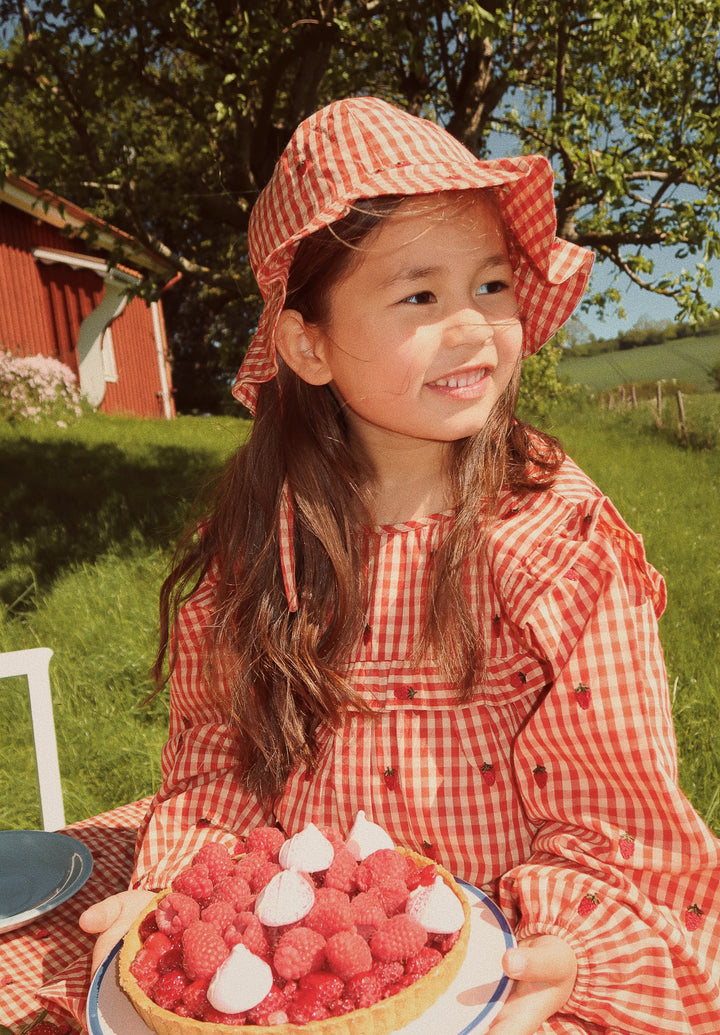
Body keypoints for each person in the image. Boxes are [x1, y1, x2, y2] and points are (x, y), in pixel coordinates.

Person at [80, 96, 720, 1034]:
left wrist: (563, 951)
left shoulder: (554, 545)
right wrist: (185, 900)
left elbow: (610, 815)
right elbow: (218, 766)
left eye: (492, 286)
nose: (473, 326)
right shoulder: (259, 549)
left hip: (505, 961)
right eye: (420, 295)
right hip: (307, 976)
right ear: (308, 343)